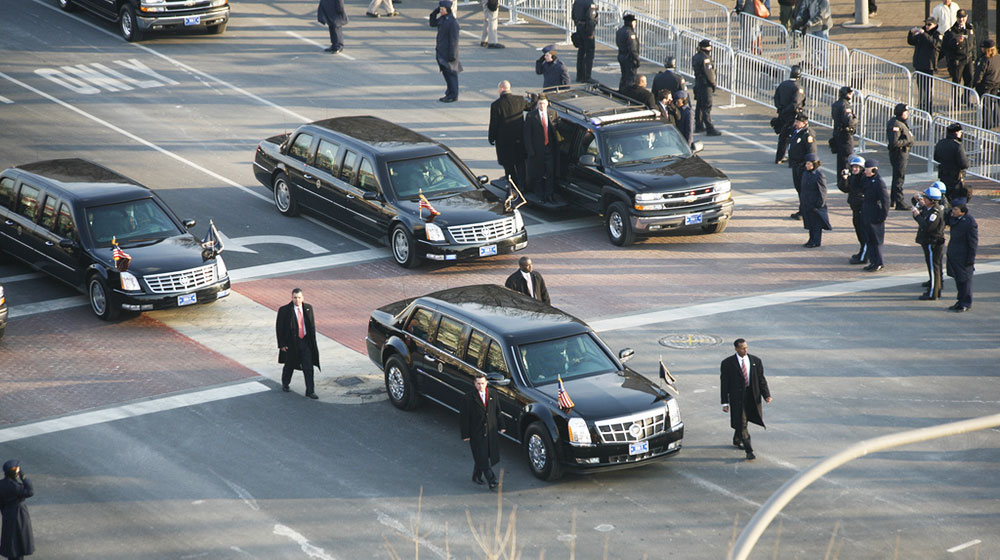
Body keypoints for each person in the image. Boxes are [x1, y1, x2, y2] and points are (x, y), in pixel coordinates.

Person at [720, 339, 771, 461]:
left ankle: (737, 439)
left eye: (746, 347)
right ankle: (749, 450)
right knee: (742, 422)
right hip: (737, 398)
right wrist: (725, 402)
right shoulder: (728, 363)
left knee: (745, 419)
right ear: (736, 349)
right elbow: (724, 384)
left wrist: (766, 395)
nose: (745, 350)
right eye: (742, 348)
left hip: (752, 395)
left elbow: (760, 379)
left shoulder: (755, 361)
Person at [460, 373, 505, 489]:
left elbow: (497, 411)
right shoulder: (468, 398)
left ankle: (476, 475)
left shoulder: (493, 394)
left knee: (483, 455)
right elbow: (464, 418)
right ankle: (492, 480)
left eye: (483, 383)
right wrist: (465, 434)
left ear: (486, 383)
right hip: (476, 432)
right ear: (475, 384)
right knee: (482, 457)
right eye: (478, 384)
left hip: (490, 431)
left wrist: (502, 426)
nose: (481, 386)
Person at [276, 288, 321, 399]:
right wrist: (282, 344)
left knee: (308, 367)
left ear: (303, 298)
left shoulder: (308, 309)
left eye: (299, 297)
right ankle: (285, 383)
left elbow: (311, 326)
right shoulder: (284, 310)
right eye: (295, 298)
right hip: (291, 343)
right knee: (290, 364)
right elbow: (279, 328)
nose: (297, 300)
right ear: (292, 298)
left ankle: (310, 391)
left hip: (305, 342)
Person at [489, 81, 528, 188]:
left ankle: (512, 185)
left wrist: (491, 138)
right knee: (520, 164)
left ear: (501, 89)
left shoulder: (496, 105)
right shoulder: (519, 100)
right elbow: (530, 107)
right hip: (519, 140)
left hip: (504, 142)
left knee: (508, 165)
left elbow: (494, 124)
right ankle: (523, 185)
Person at [912, 185, 947, 300]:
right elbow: (923, 209)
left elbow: (927, 227)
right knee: (933, 267)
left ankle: (933, 293)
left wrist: (917, 216)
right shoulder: (930, 209)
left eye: (926, 198)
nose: (924, 199)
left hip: (933, 243)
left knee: (933, 268)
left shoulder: (935, 213)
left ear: (932, 201)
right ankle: (935, 288)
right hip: (930, 242)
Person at [523, 95, 560, 203]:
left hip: (549, 149)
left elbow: (556, 132)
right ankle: (540, 195)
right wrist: (530, 151)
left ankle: (549, 194)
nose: (542, 106)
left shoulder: (553, 114)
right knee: (538, 173)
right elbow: (527, 135)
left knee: (550, 173)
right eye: (540, 103)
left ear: (547, 104)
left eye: (543, 103)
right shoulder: (531, 116)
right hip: (537, 150)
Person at [945, 199, 977, 312]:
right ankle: (960, 301)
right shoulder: (955, 218)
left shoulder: (969, 222)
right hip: (955, 255)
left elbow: (973, 243)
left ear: (962, 211)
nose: (952, 211)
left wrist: (971, 259)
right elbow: (946, 217)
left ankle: (966, 303)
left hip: (964, 256)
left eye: (955, 209)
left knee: (965, 281)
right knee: (959, 280)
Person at [860, 158, 890, 272]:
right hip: (867, 213)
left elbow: (885, 201)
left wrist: (883, 216)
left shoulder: (879, 182)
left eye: (867, 169)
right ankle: (873, 261)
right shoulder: (866, 179)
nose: (865, 172)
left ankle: (878, 262)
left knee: (876, 241)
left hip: (875, 214)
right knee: (869, 240)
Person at [0, 460, 33, 560]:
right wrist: (24, 477)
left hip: (7, 514)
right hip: (19, 516)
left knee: (10, 542)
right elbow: (30, 491)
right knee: (18, 543)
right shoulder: (15, 487)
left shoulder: (1, 484)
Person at [430, 0, 461, 103]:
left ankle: (453, 95)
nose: (441, 11)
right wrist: (434, 13)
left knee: (451, 75)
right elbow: (432, 23)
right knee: (447, 75)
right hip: (441, 52)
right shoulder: (443, 19)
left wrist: (452, 55)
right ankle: (449, 93)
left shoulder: (452, 22)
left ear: (447, 10)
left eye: (442, 9)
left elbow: (454, 40)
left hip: (448, 54)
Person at [909, 18, 943, 112]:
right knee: (921, 88)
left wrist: (924, 34)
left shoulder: (937, 35)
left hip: (929, 66)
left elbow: (935, 44)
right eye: (926, 24)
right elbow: (911, 41)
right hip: (919, 65)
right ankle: (921, 106)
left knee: (927, 89)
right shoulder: (921, 33)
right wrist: (911, 33)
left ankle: (928, 109)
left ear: (935, 25)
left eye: (929, 24)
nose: (927, 26)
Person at [786, 112, 816, 219]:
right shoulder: (796, 131)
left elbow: (811, 152)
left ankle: (805, 211)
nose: (795, 123)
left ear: (804, 123)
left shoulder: (807, 134)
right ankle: (802, 209)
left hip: (802, 166)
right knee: (799, 189)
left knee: (804, 190)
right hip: (796, 165)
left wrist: (808, 165)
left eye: (797, 122)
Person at [773, 66, 805, 164]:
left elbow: (776, 98)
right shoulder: (798, 88)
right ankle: (792, 158)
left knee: (783, 137)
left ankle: (779, 157)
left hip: (782, 113)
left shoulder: (783, 84)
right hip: (792, 115)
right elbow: (795, 103)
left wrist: (781, 109)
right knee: (794, 137)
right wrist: (788, 111)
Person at [886, 103, 915, 210]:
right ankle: (899, 201)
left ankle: (894, 199)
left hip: (902, 153)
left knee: (897, 176)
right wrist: (908, 141)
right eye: (905, 112)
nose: (907, 114)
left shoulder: (901, 123)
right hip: (899, 153)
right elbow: (894, 142)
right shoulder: (896, 124)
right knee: (899, 177)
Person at [934, 122, 971, 202]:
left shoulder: (940, 143)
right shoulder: (957, 145)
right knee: (956, 200)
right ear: (956, 133)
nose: (961, 134)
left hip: (943, 175)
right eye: (960, 132)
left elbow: (936, 157)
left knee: (945, 198)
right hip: (955, 177)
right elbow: (964, 164)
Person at [843, 155, 869, 264]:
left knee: (865, 234)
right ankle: (861, 251)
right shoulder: (853, 177)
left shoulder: (864, 179)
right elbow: (845, 188)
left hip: (863, 210)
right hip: (856, 209)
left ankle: (864, 257)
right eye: (853, 167)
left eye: (857, 167)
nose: (854, 169)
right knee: (859, 232)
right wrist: (844, 179)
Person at [799, 153, 830, 247]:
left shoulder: (819, 175)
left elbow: (822, 191)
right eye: (806, 164)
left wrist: (819, 204)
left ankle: (816, 241)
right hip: (807, 202)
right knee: (810, 223)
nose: (807, 166)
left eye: (809, 164)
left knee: (816, 224)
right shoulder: (805, 173)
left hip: (815, 204)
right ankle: (811, 239)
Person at [830, 86, 857, 192]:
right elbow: (849, 121)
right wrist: (856, 119)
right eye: (849, 93)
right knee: (847, 158)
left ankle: (841, 181)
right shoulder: (845, 105)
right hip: (845, 136)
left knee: (841, 159)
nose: (851, 95)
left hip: (838, 133)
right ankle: (845, 183)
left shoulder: (836, 104)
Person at [692, 39, 721, 136]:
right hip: (705, 85)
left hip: (698, 84)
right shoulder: (705, 59)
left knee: (700, 105)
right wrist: (713, 84)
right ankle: (709, 128)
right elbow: (709, 74)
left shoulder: (696, 56)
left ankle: (699, 125)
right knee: (706, 107)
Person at [792, 0, 832, 70]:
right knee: (813, 49)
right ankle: (816, 67)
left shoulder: (824, 1)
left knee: (822, 49)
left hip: (822, 27)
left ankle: (825, 68)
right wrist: (798, 22)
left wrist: (808, 24)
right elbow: (803, 10)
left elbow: (821, 14)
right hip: (811, 28)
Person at [942, 9, 975, 88]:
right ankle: (956, 99)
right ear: (956, 18)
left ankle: (966, 99)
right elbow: (946, 47)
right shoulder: (951, 32)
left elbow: (973, 43)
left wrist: (974, 57)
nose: (961, 19)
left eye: (963, 17)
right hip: (958, 61)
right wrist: (956, 42)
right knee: (956, 82)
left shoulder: (969, 28)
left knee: (970, 79)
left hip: (968, 58)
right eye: (959, 17)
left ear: (966, 17)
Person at [974, 39, 1000, 127]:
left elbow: (980, 73)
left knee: (986, 105)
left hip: (986, 85)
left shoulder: (985, 60)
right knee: (995, 102)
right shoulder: (998, 57)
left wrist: (976, 83)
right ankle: (997, 121)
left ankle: (987, 124)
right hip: (996, 83)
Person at [572, 0, 598, 83]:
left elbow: (573, 15)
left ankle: (579, 76)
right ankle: (587, 77)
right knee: (589, 54)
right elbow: (590, 19)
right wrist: (590, 33)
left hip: (579, 28)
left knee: (581, 52)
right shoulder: (590, 3)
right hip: (587, 30)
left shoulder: (577, 2)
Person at [616, 13, 641, 91]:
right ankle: (628, 94)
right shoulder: (630, 33)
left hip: (621, 55)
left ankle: (621, 92)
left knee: (624, 76)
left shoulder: (620, 31)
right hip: (629, 58)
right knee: (630, 79)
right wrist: (637, 60)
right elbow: (632, 49)